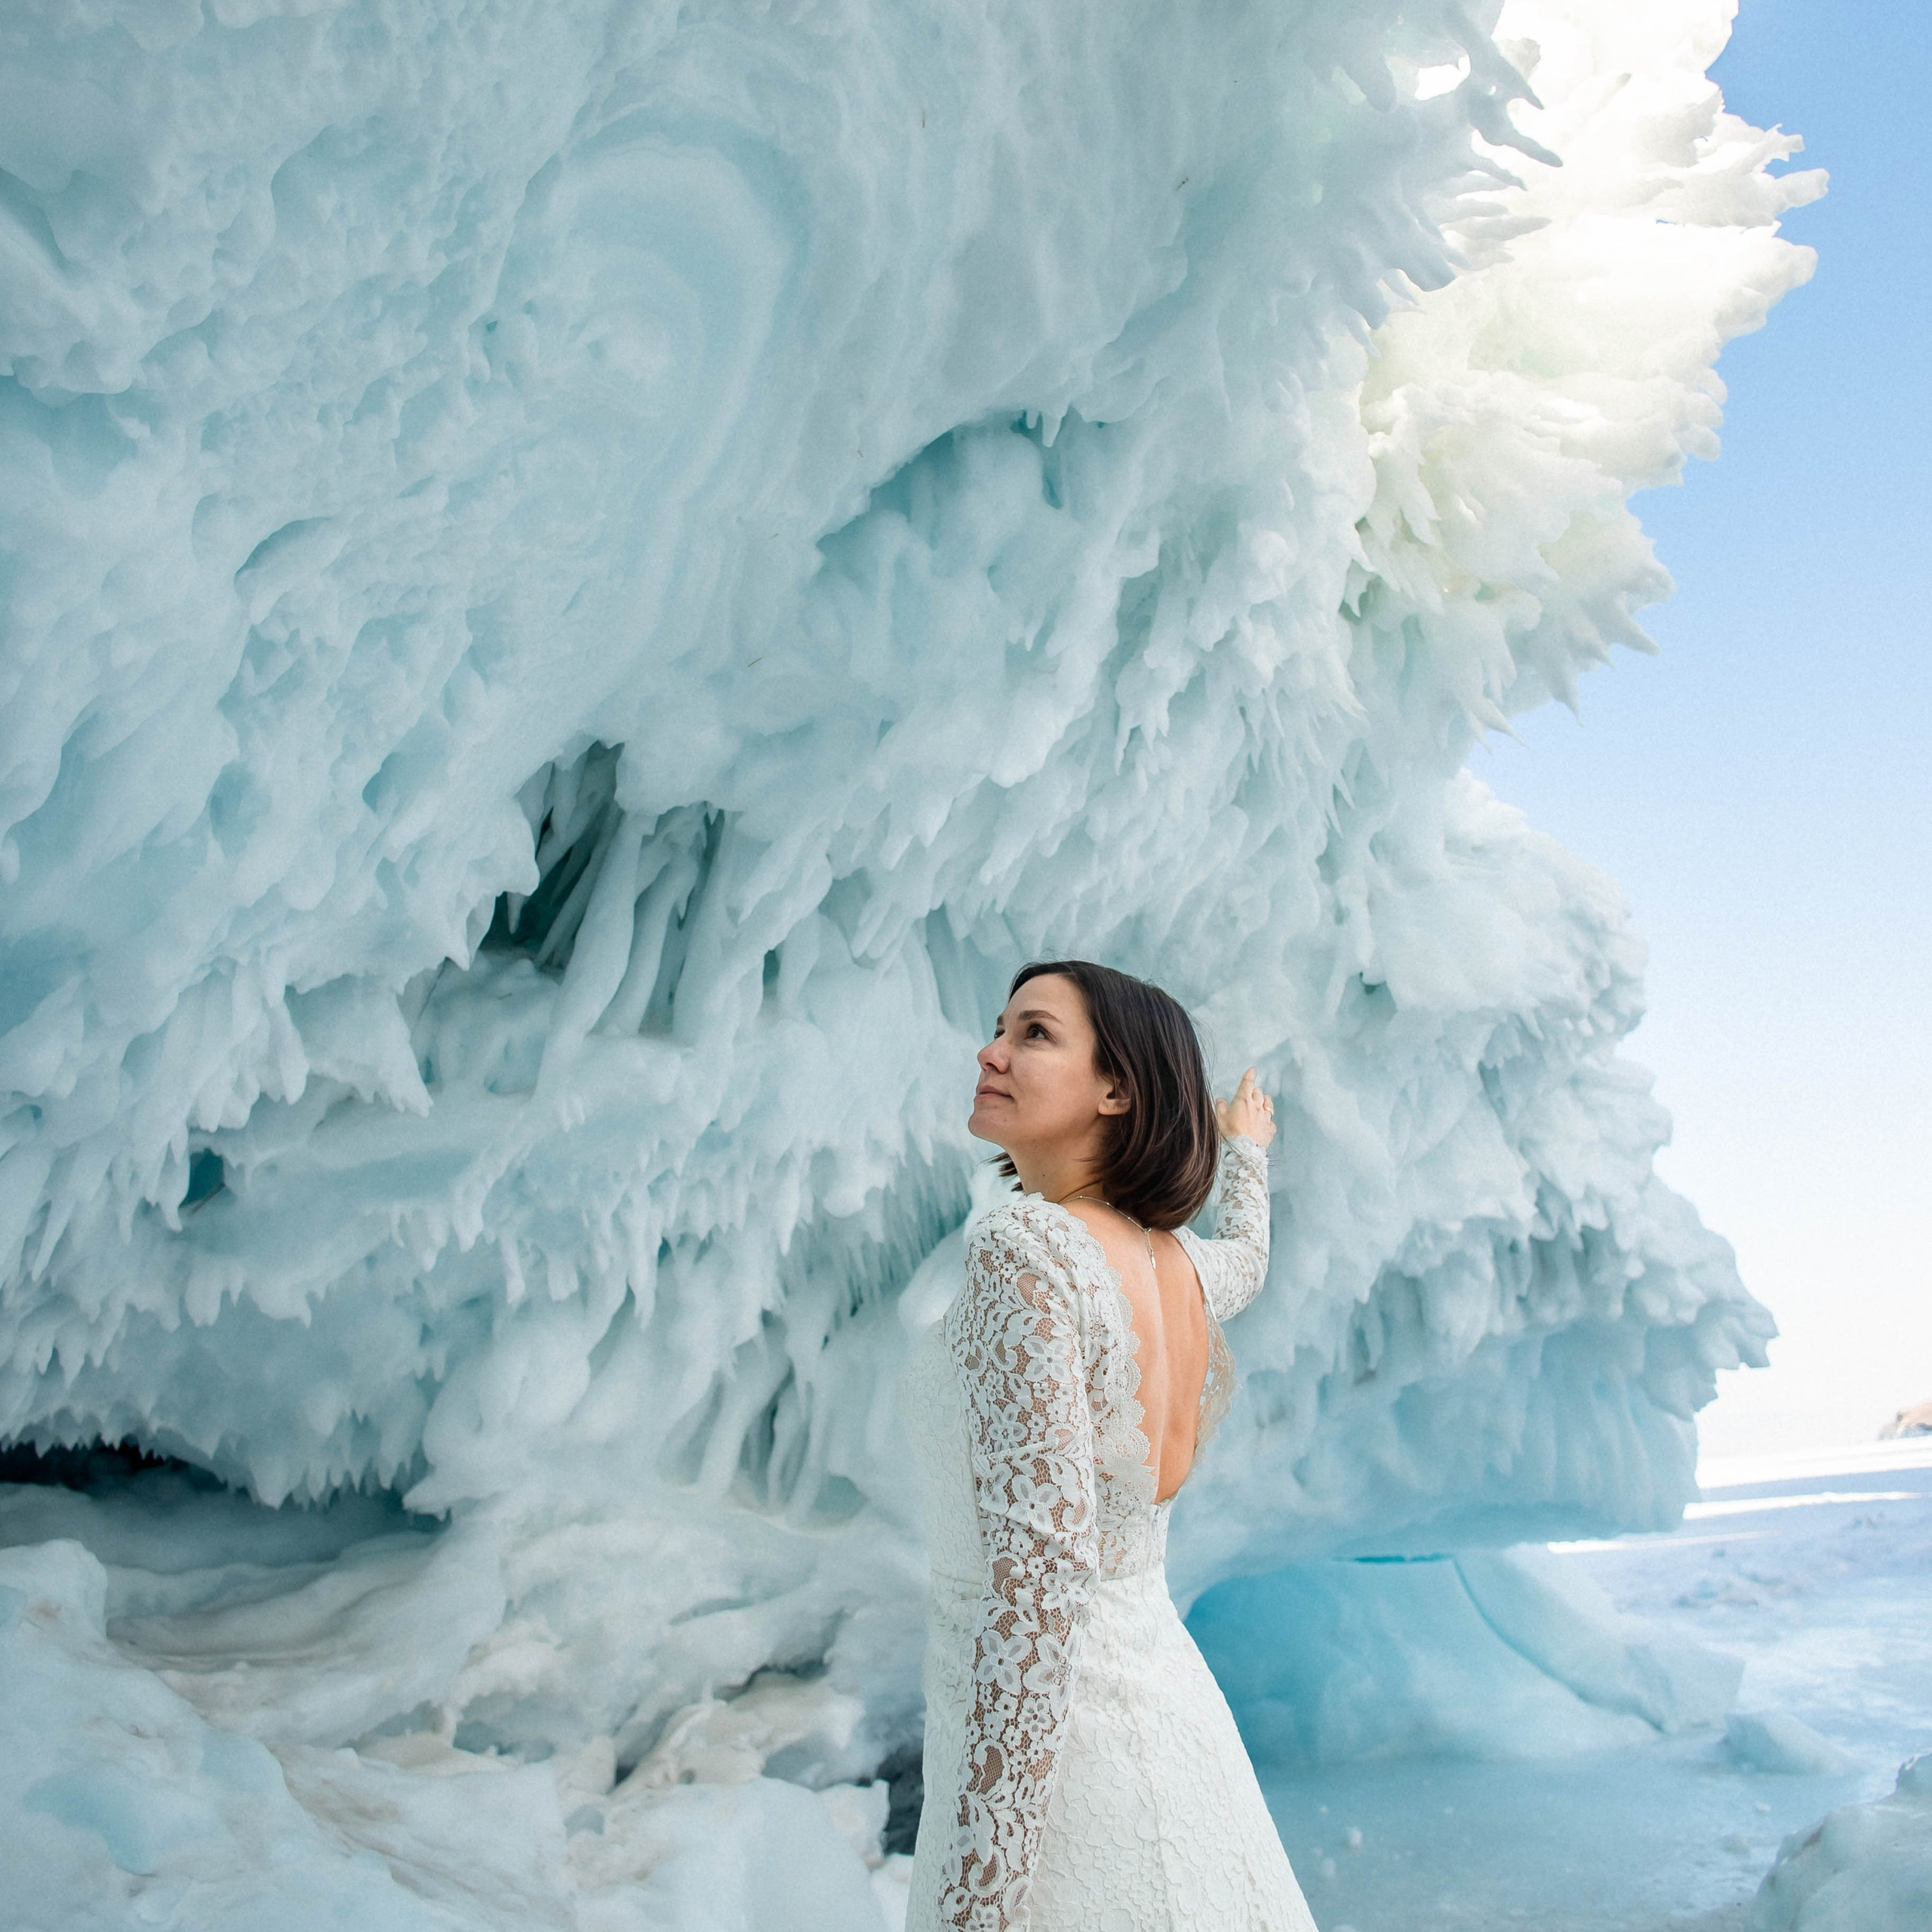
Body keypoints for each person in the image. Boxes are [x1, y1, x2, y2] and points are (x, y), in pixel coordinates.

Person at [895, 959, 1315, 1930]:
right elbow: (1249, 1261)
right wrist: (1246, 1153)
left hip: (1068, 1787)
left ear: (1117, 1088)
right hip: (1178, 1736)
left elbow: (1041, 1585)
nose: (990, 1052)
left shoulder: (1025, 1249)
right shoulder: (1183, 1264)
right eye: (999, 1026)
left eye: (1033, 1033)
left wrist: (979, 1901)